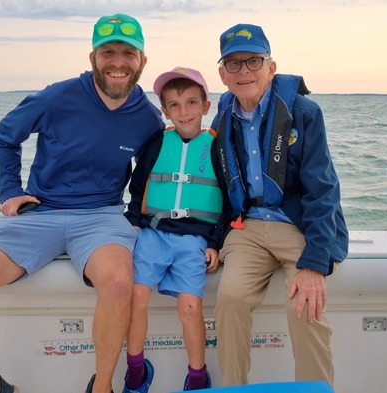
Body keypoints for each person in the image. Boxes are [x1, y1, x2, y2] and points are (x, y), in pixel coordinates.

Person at [0, 13, 165, 393]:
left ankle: (103, 387)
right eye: (108, 52)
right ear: (93, 57)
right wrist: (9, 191)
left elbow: (146, 177)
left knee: (119, 283)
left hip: (101, 217)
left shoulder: (148, 118)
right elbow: (6, 135)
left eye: (128, 53)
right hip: (39, 213)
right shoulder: (58, 96)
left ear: (143, 60)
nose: (118, 62)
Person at [210, 23, 349, 387]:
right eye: (234, 64)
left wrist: (316, 262)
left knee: (305, 306)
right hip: (248, 229)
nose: (245, 72)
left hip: (296, 224)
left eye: (253, 61)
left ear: (271, 67)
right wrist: (209, 240)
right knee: (230, 298)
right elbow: (220, 191)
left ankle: (315, 389)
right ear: (222, 74)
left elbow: (323, 190)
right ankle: (233, 387)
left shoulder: (304, 112)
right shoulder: (222, 117)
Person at [122, 67, 230, 392]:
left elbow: (228, 201)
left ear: (206, 106)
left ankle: (197, 377)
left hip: (195, 240)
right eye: (175, 105)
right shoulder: (157, 143)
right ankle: (136, 370)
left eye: (191, 103)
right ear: (165, 109)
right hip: (152, 232)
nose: (183, 112)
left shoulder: (217, 148)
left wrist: (215, 242)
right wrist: (134, 228)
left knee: (190, 307)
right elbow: (138, 189)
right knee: (136, 296)